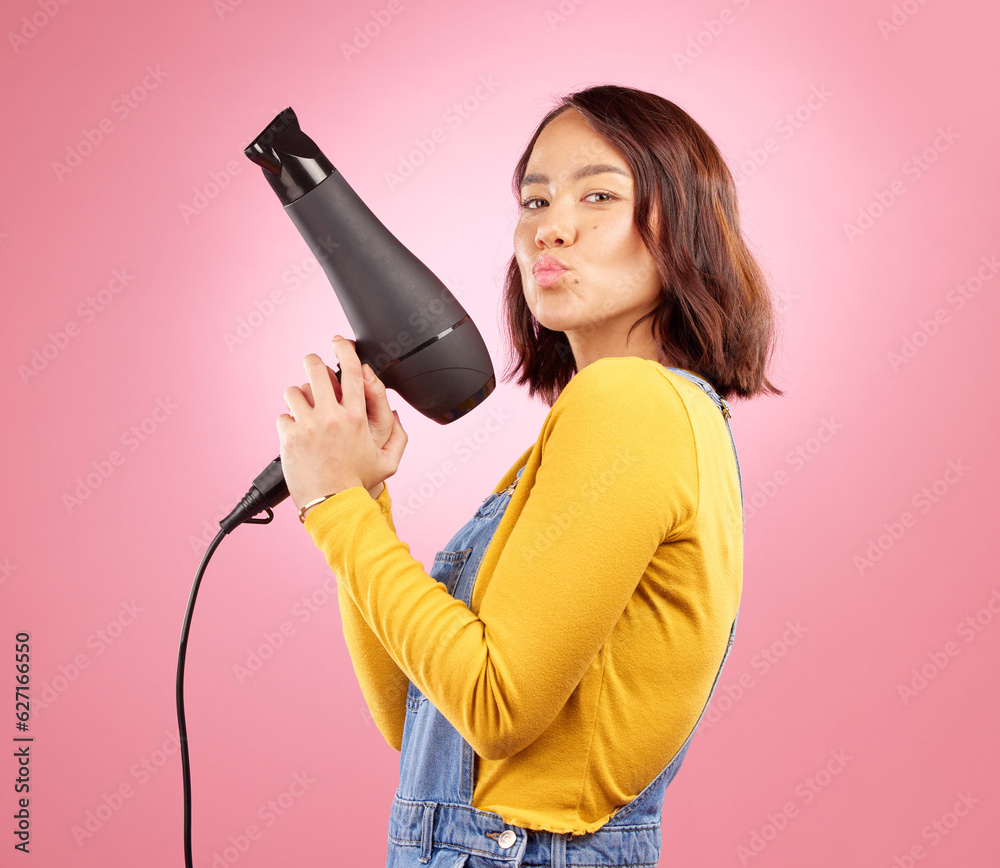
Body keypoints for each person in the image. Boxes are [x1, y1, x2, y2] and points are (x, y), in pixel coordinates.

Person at [276, 84, 780, 868]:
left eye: (599, 195)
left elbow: (495, 709)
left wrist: (334, 506)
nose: (553, 224)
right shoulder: (614, 414)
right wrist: (364, 500)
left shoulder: (630, 403)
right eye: (534, 198)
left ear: (681, 227)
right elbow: (422, 720)